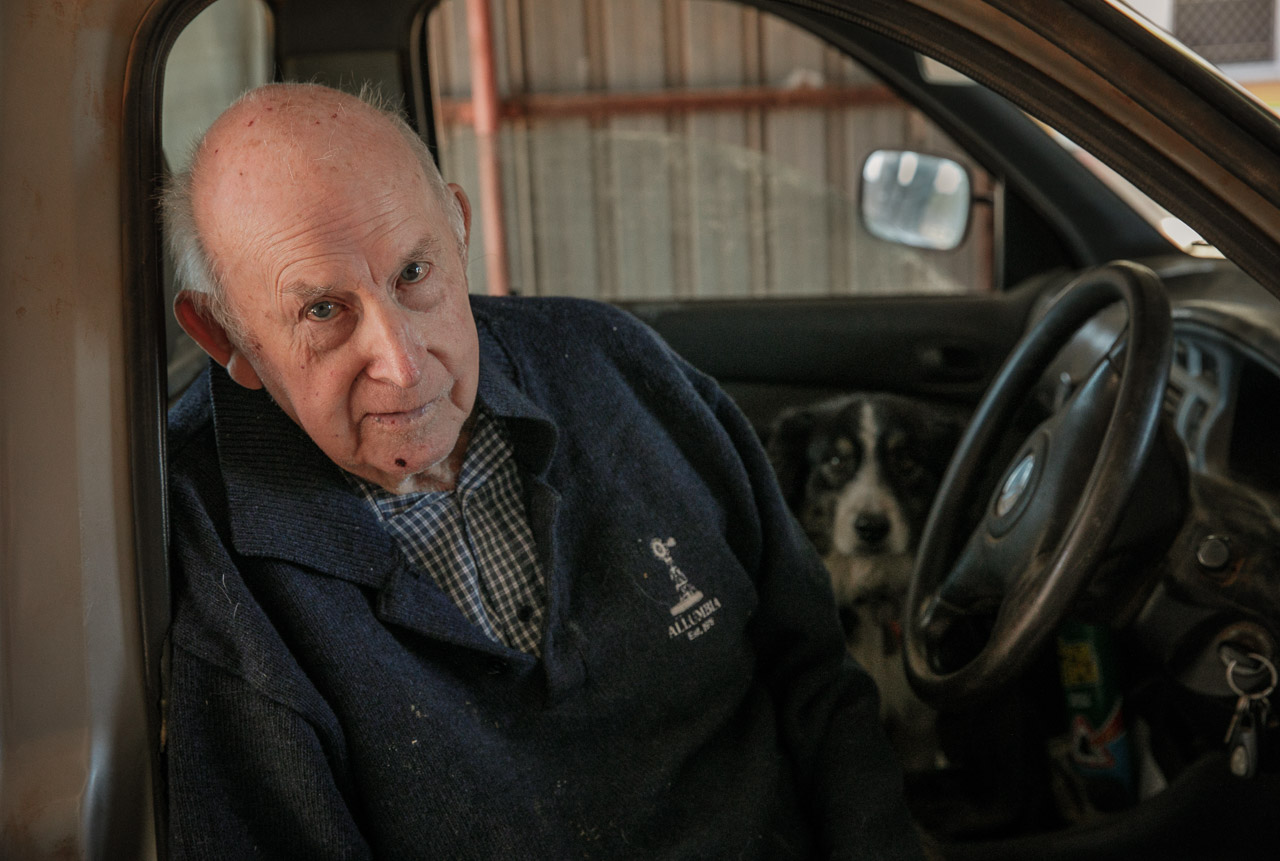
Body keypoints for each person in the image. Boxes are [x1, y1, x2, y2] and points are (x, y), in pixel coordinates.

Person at [163, 81, 923, 860]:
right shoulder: (211, 560)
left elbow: (816, 681)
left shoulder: (614, 367)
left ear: (458, 231)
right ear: (225, 335)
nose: (402, 361)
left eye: (414, 273)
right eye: (324, 311)